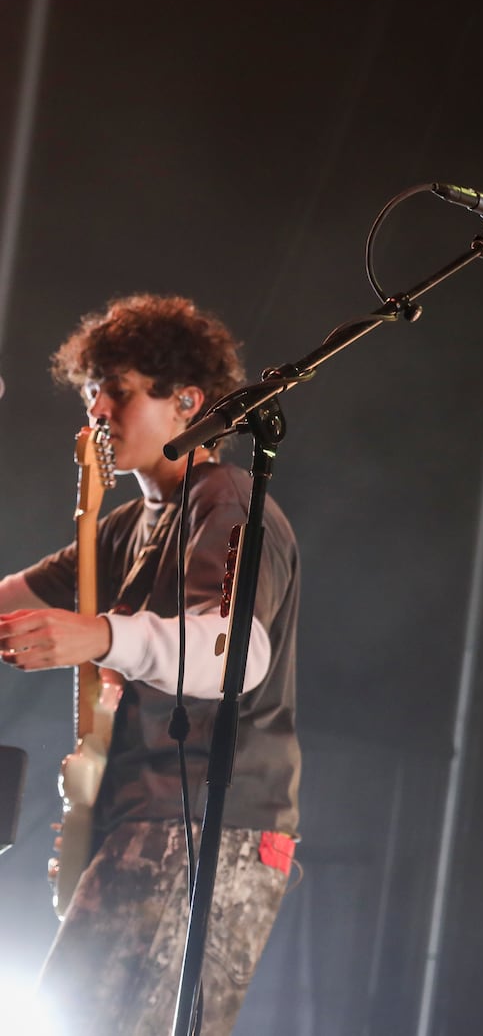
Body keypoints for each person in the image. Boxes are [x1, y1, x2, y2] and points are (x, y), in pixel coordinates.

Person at [0, 293, 301, 1035]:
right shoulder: (127, 525)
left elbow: (239, 653)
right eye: (88, 390)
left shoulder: (226, 497)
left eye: (117, 389)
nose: (97, 407)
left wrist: (100, 635)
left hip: (209, 823)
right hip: (143, 815)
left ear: (187, 401)